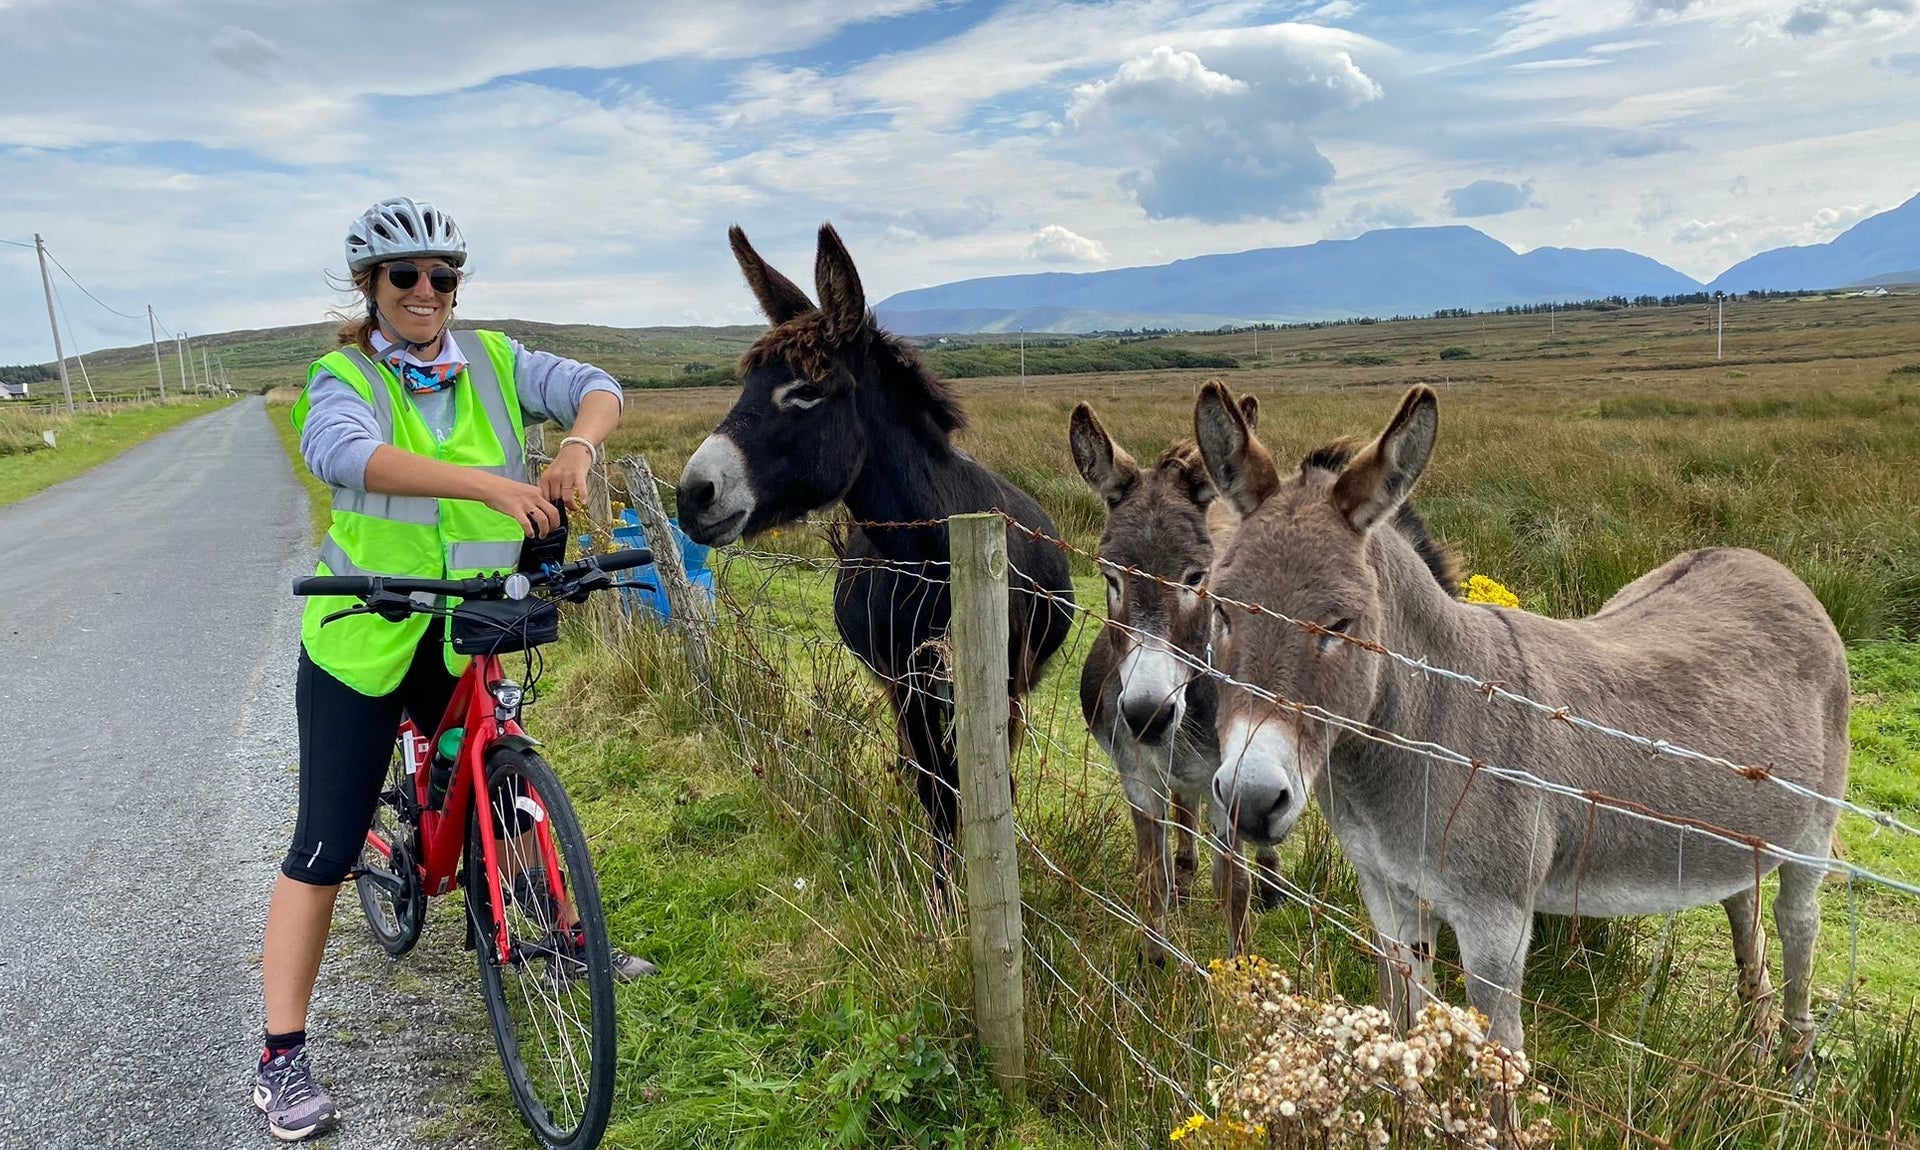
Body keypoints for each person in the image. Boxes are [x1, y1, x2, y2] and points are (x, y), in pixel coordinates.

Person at [255, 197, 654, 1143]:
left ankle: (551, 942)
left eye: (444, 277)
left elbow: (598, 384)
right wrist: (491, 483)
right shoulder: (340, 374)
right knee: (327, 840)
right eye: (406, 277)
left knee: (504, 776)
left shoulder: (493, 360)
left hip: (469, 620)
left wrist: (575, 447)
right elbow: (341, 452)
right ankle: (281, 1056)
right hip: (367, 629)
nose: (427, 292)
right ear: (373, 287)